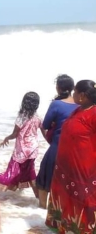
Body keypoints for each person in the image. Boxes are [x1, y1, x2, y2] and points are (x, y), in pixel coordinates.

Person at [46, 80, 96, 233]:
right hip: (65, 170)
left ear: (82, 96)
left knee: (83, 200)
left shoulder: (94, 113)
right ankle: (64, 228)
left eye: (75, 92)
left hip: (83, 172)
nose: (72, 94)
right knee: (65, 199)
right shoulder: (78, 110)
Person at [36, 74, 78, 208]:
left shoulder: (56, 104)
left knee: (45, 176)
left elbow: (46, 125)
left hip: (57, 146)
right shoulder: (81, 104)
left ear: (58, 88)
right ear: (72, 88)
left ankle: (42, 208)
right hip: (75, 149)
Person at [0, 92, 45, 195]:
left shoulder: (21, 117)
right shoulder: (39, 117)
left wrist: (7, 138)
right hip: (33, 150)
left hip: (21, 151)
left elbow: (15, 134)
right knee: (30, 173)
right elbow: (45, 132)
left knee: (10, 174)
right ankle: (38, 199)